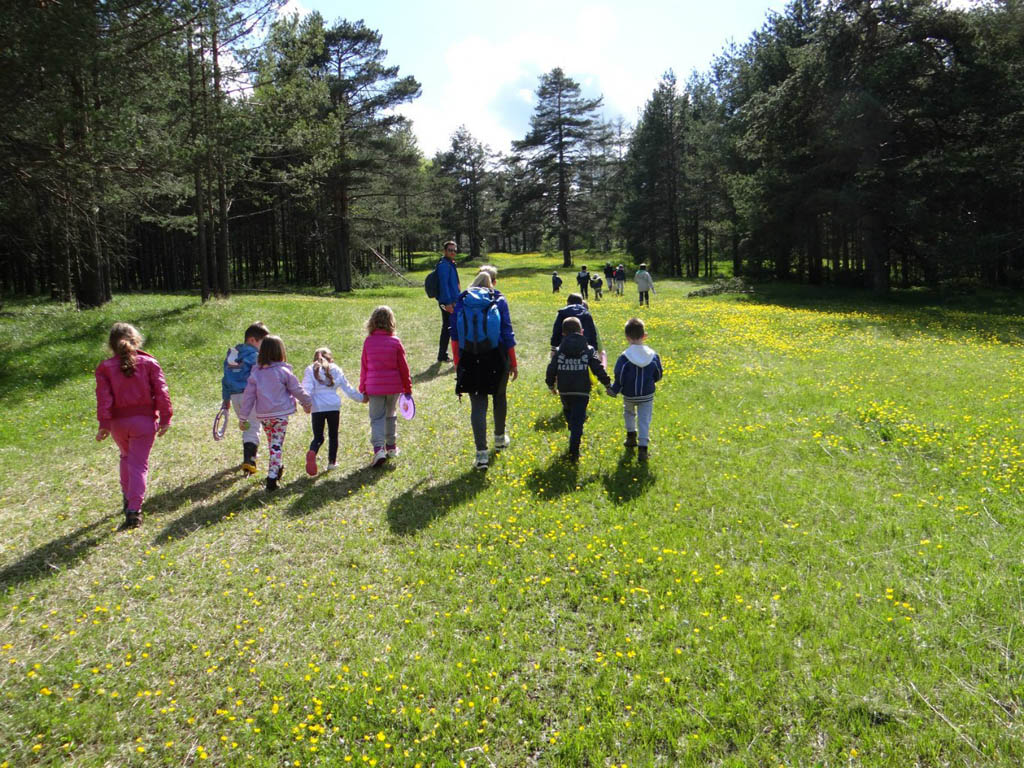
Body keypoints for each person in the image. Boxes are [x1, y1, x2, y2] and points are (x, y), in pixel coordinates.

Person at [95, 322, 173, 530]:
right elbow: (162, 392)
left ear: (111, 345)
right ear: (136, 340)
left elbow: (104, 399)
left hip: (118, 424)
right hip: (144, 422)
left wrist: (104, 424)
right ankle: (134, 510)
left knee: (126, 457)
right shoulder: (149, 363)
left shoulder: (105, 368)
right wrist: (165, 418)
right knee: (138, 464)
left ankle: (127, 497)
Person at [450, 267, 518, 470]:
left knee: (478, 405)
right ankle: (500, 439)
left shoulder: (462, 301)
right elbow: (507, 333)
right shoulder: (499, 300)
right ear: (491, 284)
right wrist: (513, 362)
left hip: (470, 356)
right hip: (496, 355)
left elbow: (455, 336)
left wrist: (457, 362)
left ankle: (481, 455)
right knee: (499, 396)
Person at [238, 336, 312, 491]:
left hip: (264, 416)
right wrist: (307, 402)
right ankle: (272, 477)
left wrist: (243, 417)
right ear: (280, 352)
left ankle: (277, 467)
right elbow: (296, 389)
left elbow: (248, 396)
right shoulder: (283, 371)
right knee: (276, 444)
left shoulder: (256, 374)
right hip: (280, 415)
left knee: (273, 442)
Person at [545, 316, 612, 461]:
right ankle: (574, 450)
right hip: (582, 390)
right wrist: (607, 384)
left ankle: (573, 432)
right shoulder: (588, 349)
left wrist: (551, 384)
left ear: (563, 334)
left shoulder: (559, 350)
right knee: (578, 419)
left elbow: (551, 369)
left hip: (565, 390)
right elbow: (598, 368)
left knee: (569, 412)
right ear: (581, 331)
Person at [359, 306, 412, 467]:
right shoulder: (395, 342)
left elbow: (364, 367)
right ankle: (391, 446)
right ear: (391, 322)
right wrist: (407, 387)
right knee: (390, 415)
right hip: (393, 386)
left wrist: (362, 388)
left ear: (372, 322)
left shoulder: (368, 342)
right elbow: (403, 367)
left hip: (374, 387)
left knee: (377, 418)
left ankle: (378, 449)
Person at [302, 347, 365, 476]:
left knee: (318, 436)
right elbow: (348, 388)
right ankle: (332, 462)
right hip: (333, 407)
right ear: (331, 359)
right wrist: (361, 398)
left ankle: (313, 451)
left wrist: (305, 404)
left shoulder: (310, 369)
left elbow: (306, 389)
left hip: (317, 407)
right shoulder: (336, 369)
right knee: (333, 435)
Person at [609, 317, 663, 462]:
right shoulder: (653, 355)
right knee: (644, 419)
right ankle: (643, 448)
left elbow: (619, 375)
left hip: (629, 394)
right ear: (644, 336)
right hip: (647, 394)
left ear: (627, 337)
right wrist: (652, 381)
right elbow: (658, 374)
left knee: (628, 413)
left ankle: (631, 436)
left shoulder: (624, 357)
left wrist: (615, 389)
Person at [221, 321, 269, 474]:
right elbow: (262, 377)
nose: (264, 347)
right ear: (253, 340)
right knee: (254, 425)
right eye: (263, 343)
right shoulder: (255, 356)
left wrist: (226, 399)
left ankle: (250, 453)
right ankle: (249, 459)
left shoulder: (232, 356)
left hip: (235, 397)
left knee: (247, 425)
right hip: (250, 396)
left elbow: (225, 379)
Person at [435, 240, 461, 363]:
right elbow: (444, 286)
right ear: (444, 251)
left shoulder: (450, 263)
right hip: (448, 302)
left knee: (448, 327)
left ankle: (443, 355)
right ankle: (443, 355)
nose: (453, 252)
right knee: (448, 328)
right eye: (450, 250)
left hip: (453, 301)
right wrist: (448, 303)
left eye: (454, 250)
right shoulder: (444, 265)